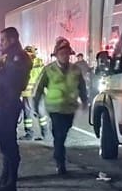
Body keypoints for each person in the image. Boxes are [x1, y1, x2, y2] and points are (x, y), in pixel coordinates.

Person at [0, 27, 32, 191]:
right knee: (4, 144)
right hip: (2, 103)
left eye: (3, 40)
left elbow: (10, 82)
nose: (1, 43)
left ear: (12, 40)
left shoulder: (17, 57)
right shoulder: (8, 57)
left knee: (8, 145)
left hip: (8, 104)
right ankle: (4, 178)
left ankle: (10, 184)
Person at [33, 38, 89, 175]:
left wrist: (84, 101)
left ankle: (58, 153)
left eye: (67, 54)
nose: (65, 56)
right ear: (57, 55)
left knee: (62, 133)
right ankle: (60, 161)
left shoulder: (75, 70)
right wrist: (35, 105)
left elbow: (82, 87)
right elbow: (39, 88)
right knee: (59, 135)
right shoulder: (49, 70)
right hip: (55, 108)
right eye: (62, 53)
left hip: (69, 108)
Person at [20, 46, 46, 140]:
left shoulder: (23, 63)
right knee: (41, 112)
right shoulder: (40, 62)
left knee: (28, 113)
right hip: (38, 91)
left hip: (28, 92)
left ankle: (29, 134)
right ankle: (45, 133)